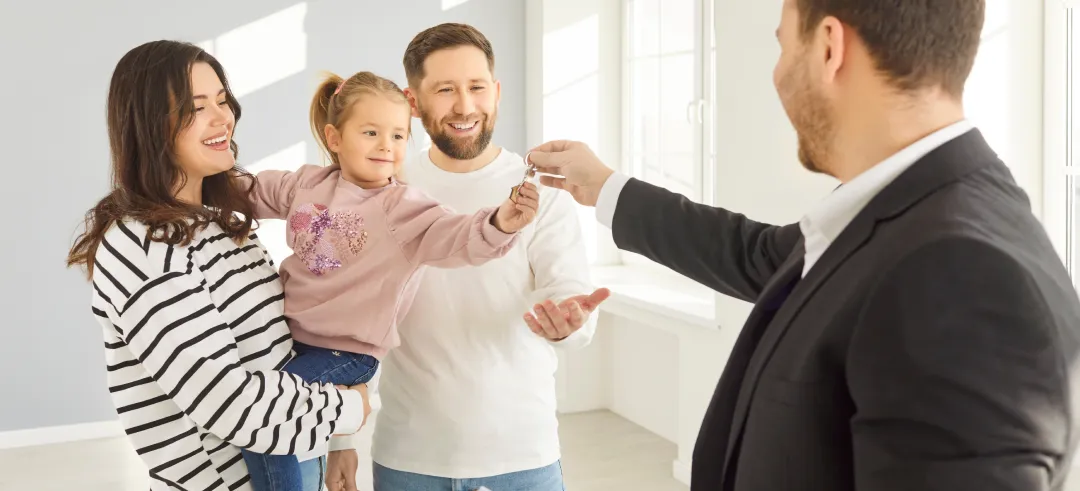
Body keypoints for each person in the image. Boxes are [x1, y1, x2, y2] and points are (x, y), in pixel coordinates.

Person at [528, 0, 1080, 489]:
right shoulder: (908, 211)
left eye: (782, 45)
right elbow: (762, 256)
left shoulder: (961, 276)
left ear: (829, 47)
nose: (776, 73)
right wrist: (603, 186)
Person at [66, 40, 371, 491]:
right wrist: (352, 411)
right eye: (196, 108)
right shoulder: (141, 246)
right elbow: (227, 403)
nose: (222, 118)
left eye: (223, 101)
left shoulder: (223, 226)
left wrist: (336, 441)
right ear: (149, 127)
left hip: (293, 460)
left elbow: (279, 352)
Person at [322, 23, 612, 491]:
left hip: (523, 459)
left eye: (477, 87)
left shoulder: (541, 193)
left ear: (495, 92)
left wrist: (571, 319)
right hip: (408, 459)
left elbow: (569, 298)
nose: (464, 106)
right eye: (445, 90)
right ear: (412, 101)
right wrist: (340, 443)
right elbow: (343, 325)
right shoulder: (384, 191)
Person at [237, 69, 540, 491]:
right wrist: (196, 185)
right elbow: (249, 191)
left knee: (268, 412)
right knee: (267, 417)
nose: (387, 146)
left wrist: (502, 221)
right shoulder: (308, 184)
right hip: (292, 341)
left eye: (399, 136)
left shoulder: (403, 207)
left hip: (348, 351)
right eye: (371, 133)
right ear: (335, 138)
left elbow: (455, 236)